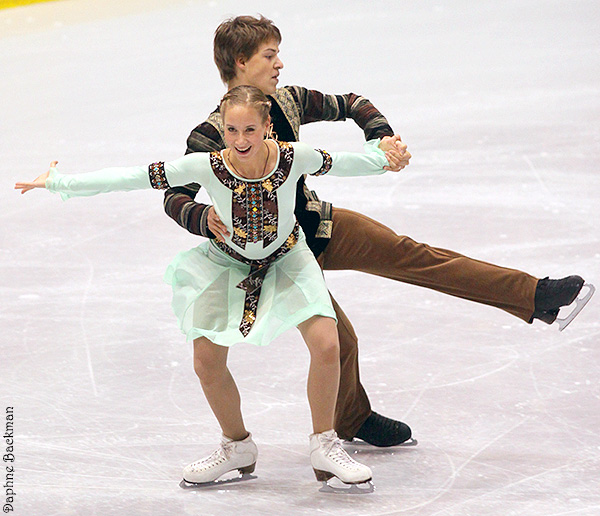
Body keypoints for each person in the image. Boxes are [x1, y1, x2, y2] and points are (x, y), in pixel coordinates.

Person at [162, 15, 593, 449]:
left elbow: (352, 102)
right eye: (269, 56)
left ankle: (533, 295)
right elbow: (173, 195)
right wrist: (203, 219)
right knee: (340, 340)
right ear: (241, 62)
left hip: (320, 225)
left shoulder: (289, 101)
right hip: (276, 260)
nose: (279, 65)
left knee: (412, 254)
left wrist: (381, 138)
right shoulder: (211, 134)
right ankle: (353, 419)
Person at [15, 85, 406, 486]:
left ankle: (324, 444)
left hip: (289, 258)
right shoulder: (206, 166)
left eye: (250, 130)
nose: (240, 141)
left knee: (326, 342)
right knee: (205, 361)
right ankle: (237, 446)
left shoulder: (293, 159)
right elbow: (131, 177)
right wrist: (59, 183)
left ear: (268, 127)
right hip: (227, 265)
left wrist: (386, 156)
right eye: (232, 131)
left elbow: (350, 162)